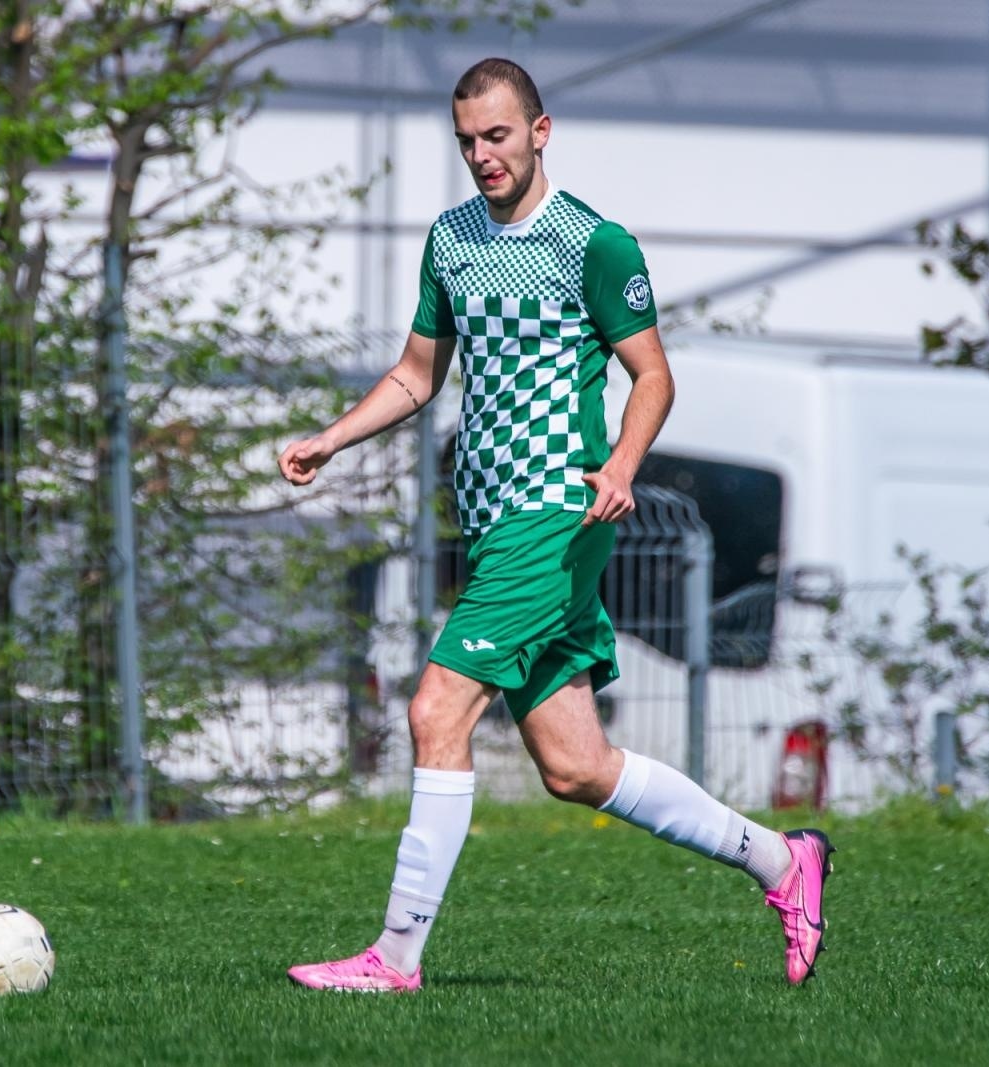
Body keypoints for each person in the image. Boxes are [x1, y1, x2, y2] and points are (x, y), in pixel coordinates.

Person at [279, 57, 833, 991]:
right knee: (577, 766)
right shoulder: (451, 239)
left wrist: (621, 466)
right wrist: (331, 439)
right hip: (492, 520)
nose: (482, 155)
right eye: (467, 140)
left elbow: (652, 376)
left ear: (540, 132)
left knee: (436, 708)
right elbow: (416, 375)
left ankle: (394, 957)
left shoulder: (595, 245)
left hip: (555, 514)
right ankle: (783, 860)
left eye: (497, 135)